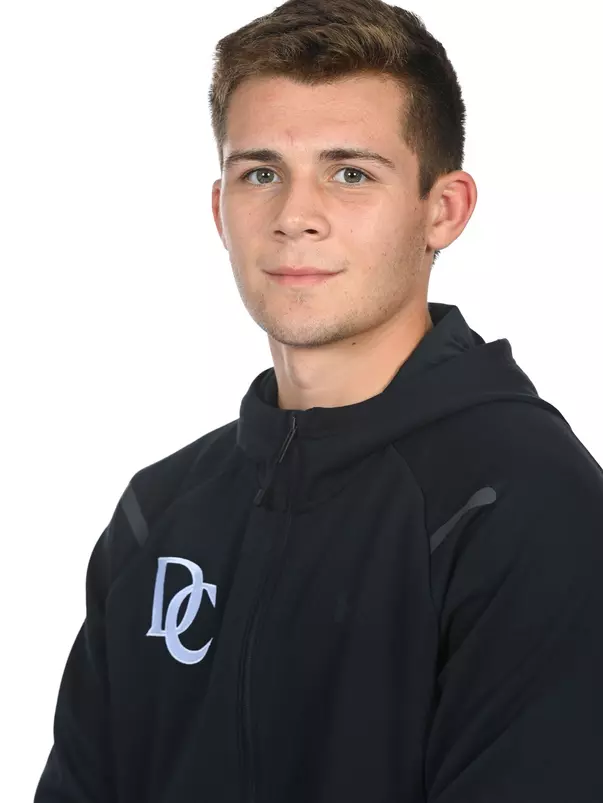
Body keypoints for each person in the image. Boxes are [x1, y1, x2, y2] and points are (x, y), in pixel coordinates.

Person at [34, 0, 603, 801]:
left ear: (443, 210)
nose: (295, 217)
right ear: (218, 210)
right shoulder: (158, 514)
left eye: (350, 173)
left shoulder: (526, 507)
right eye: (260, 173)